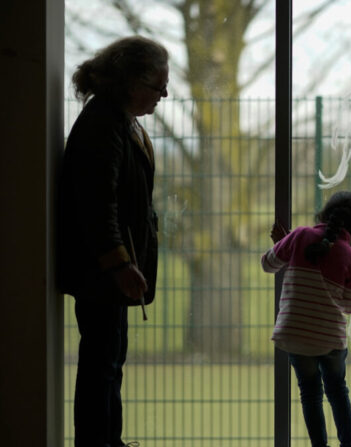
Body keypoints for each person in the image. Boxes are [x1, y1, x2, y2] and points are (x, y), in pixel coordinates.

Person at [57, 35, 168, 447]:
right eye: (158, 87)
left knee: (107, 363)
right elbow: (96, 203)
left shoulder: (114, 120)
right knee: (102, 364)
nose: (164, 94)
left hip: (107, 271)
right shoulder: (104, 124)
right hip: (104, 273)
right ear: (131, 82)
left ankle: (108, 441)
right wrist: (119, 263)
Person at [261, 191, 351, 447]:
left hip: (294, 335)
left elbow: (267, 264)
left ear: (323, 214)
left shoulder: (299, 236)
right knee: (337, 391)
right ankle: (349, 444)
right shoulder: (350, 257)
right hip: (328, 339)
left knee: (310, 394)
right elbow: (349, 305)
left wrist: (286, 244)